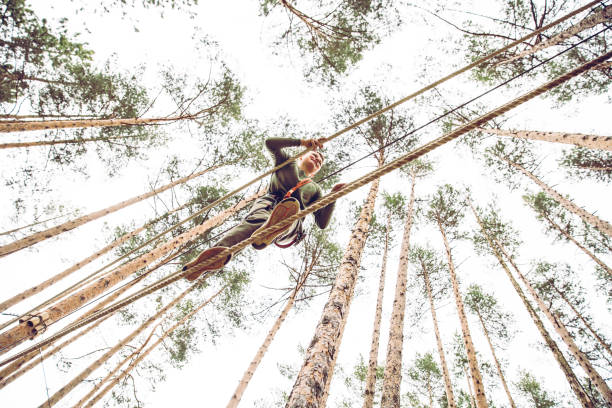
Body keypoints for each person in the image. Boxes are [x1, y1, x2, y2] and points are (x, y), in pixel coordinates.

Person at [184, 137, 345, 281]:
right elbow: (270, 143)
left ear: (317, 171)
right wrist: (302, 142)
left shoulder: (315, 189)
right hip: (269, 204)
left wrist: (333, 197)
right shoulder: (288, 163)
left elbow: (322, 223)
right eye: (314, 155)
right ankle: (210, 258)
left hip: (292, 220)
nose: (318, 159)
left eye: (320, 162)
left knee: (291, 215)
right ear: (302, 155)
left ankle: (272, 229)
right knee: (254, 223)